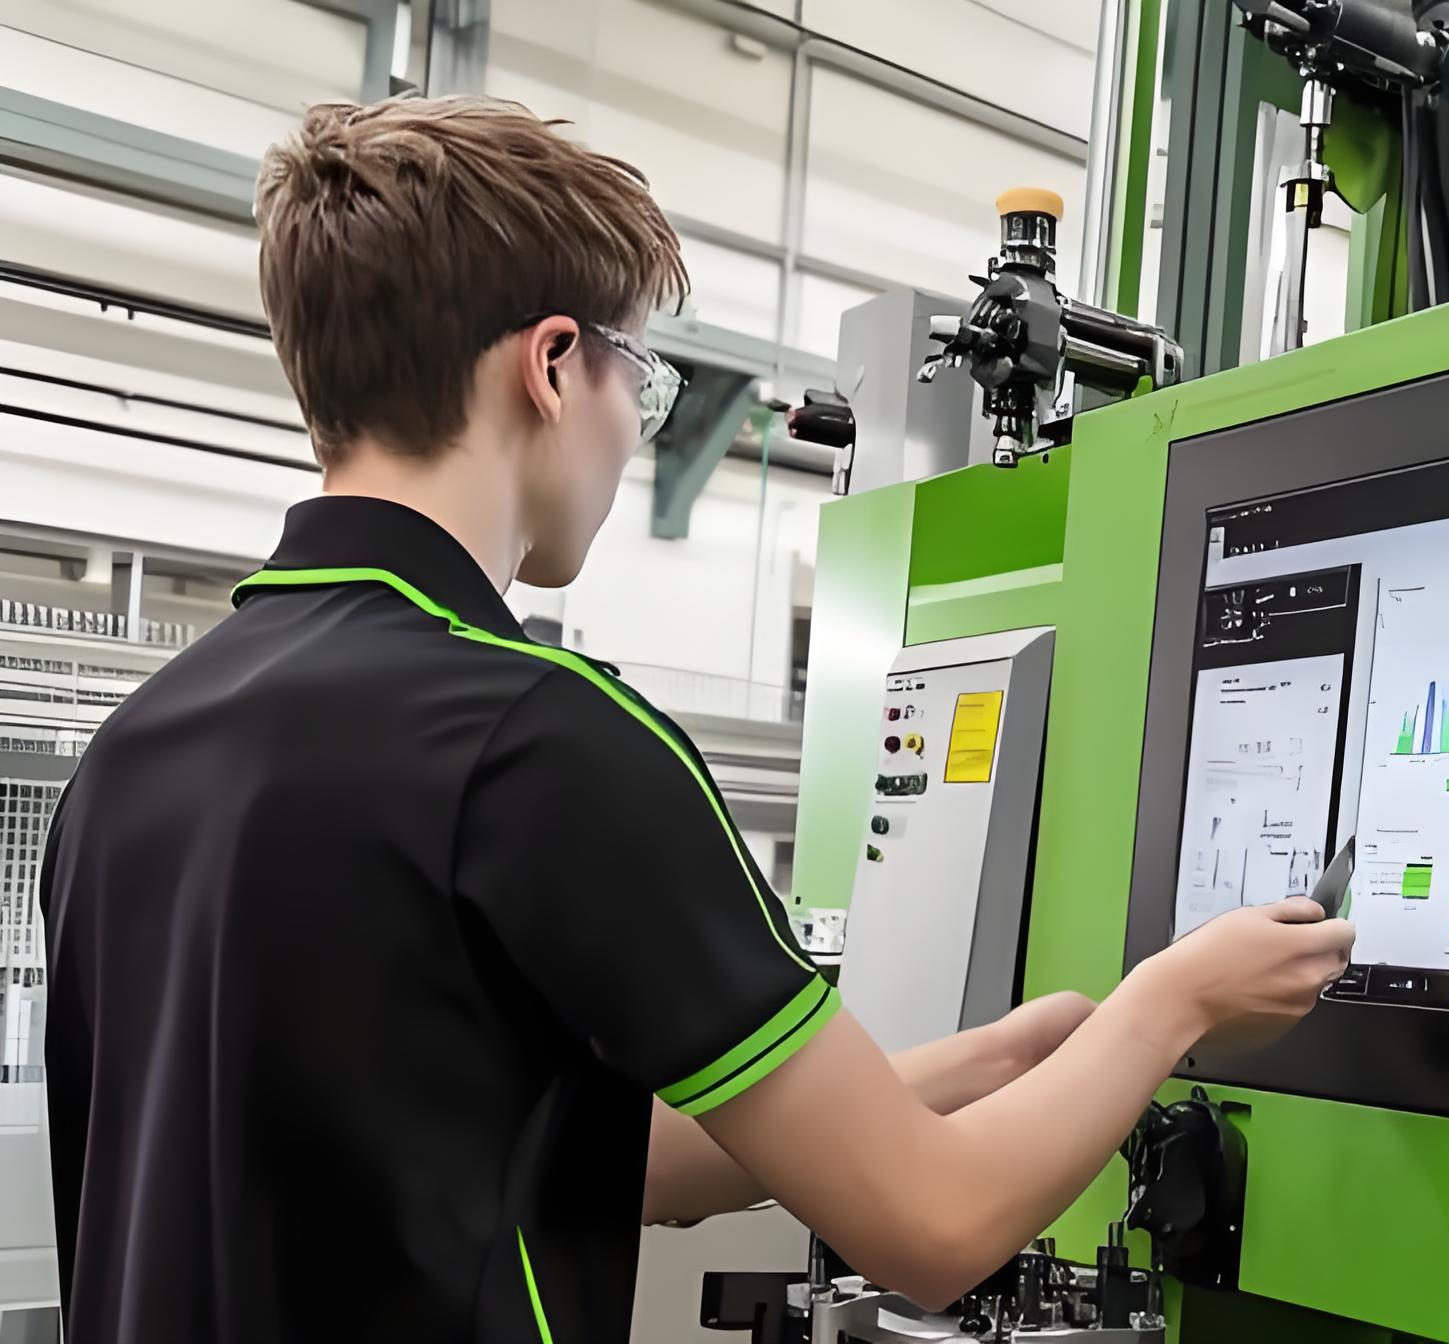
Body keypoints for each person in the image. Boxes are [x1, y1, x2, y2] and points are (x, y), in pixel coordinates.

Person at [37, 96, 1354, 1344]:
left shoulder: (136, 750)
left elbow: (591, 1157)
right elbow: (936, 1228)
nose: (637, 436)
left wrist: (1000, 1057)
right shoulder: (538, 739)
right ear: (553, 367)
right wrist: (1172, 1000)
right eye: (641, 384)